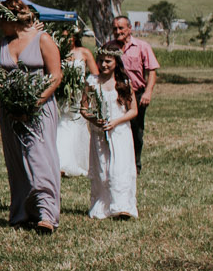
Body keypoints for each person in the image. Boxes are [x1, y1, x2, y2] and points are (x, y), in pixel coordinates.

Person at [0, 0, 64, 232]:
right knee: (16, 159)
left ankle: (47, 212)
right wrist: (7, 97)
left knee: (39, 156)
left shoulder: (42, 39)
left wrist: (33, 103)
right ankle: (23, 211)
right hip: (9, 110)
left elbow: (55, 76)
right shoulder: (4, 43)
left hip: (39, 109)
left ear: (10, 19)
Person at [86, 49, 140, 219]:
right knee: (103, 170)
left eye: (108, 61)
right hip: (99, 132)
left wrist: (116, 122)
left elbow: (133, 110)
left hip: (120, 131)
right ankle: (103, 205)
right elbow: (83, 108)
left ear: (116, 62)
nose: (103, 65)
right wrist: (95, 120)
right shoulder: (92, 81)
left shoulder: (124, 82)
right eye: (100, 60)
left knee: (120, 168)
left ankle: (122, 206)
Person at [111, 15, 159, 167]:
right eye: (114, 29)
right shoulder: (109, 47)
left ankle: (135, 164)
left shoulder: (142, 46)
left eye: (121, 28)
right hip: (116, 94)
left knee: (136, 130)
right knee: (116, 128)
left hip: (137, 94)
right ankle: (119, 162)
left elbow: (152, 70)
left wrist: (148, 92)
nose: (118, 31)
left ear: (129, 29)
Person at [56, 30, 97, 179]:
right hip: (64, 95)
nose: (66, 39)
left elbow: (94, 74)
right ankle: (61, 162)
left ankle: (80, 161)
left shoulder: (84, 52)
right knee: (63, 123)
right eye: (63, 36)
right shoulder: (59, 54)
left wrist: (88, 92)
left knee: (77, 123)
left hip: (80, 93)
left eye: (68, 36)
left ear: (75, 38)